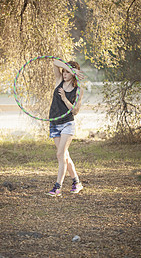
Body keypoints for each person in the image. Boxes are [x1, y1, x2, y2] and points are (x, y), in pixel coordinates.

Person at [46, 59, 84, 197]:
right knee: (65, 155)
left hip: (67, 124)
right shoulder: (58, 81)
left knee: (60, 154)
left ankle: (57, 187)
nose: (64, 73)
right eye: (64, 71)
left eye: (68, 72)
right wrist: (71, 68)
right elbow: (55, 61)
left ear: (73, 75)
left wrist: (64, 99)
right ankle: (76, 182)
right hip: (54, 123)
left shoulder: (78, 90)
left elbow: (75, 111)